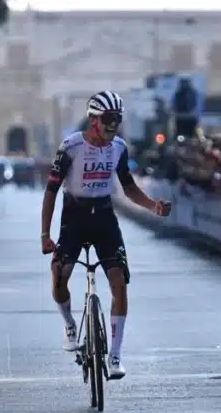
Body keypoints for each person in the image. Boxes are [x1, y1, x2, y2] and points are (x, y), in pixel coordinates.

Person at [40, 90, 171, 380]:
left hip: (104, 218)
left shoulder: (119, 148)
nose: (114, 125)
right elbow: (50, 192)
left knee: (119, 282)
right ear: (93, 119)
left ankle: (115, 356)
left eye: (118, 119)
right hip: (73, 217)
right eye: (109, 119)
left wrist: (153, 206)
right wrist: (45, 235)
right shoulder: (70, 146)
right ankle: (70, 325)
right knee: (60, 273)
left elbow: (129, 187)